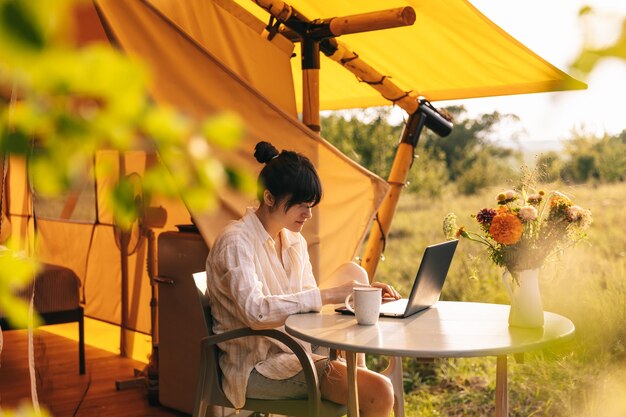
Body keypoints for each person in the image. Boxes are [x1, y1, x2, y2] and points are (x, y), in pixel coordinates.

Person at [206, 141, 400, 417]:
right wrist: (332, 296)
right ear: (269, 198)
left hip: (295, 347)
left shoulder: (293, 241)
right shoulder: (236, 242)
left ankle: (358, 380)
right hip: (259, 365)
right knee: (379, 391)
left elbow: (308, 304)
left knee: (354, 274)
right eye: (300, 206)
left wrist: (357, 297)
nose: (308, 215)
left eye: (311, 206)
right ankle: (361, 386)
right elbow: (256, 314)